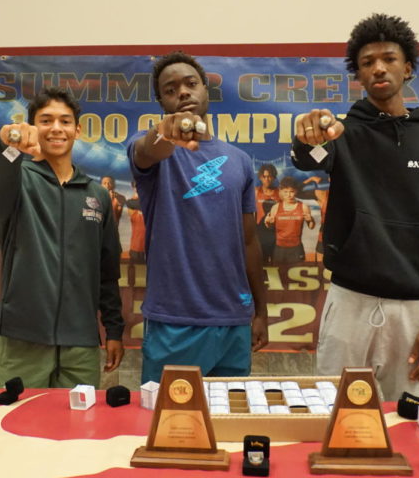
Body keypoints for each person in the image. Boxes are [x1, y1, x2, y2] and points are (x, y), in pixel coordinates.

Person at [289, 13, 419, 401]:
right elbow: (308, 158)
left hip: (415, 310)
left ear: (408, 67)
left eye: (388, 58)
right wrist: (307, 135)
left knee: (414, 422)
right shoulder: (341, 131)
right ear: (359, 75)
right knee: (336, 418)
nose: (379, 68)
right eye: (367, 63)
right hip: (350, 301)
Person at [127, 51, 268, 384]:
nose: (183, 93)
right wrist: (165, 134)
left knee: (229, 428)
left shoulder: (240, 160)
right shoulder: (149, 147)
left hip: (233, 319)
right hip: (175, 321)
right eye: (171, 89)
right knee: (171, 429)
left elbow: (249, 240)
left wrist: (260, 311)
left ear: (206, 90)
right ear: (161, 100)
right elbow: (148, 150)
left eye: (191, 84)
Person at [0, 87, 124, 388]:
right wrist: (7, 142)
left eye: (65, 121)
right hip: (23, 338)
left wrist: (113, 330)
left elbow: (107, 272)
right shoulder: (17, 181)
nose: (56, 128)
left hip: (81, 343)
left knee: (78, 431)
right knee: (15, 428)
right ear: (33, 126)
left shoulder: (97, 195)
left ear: (78, 130)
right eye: (46, 120)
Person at [264, 176, 315, 263]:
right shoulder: (275, 207)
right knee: (279, 275)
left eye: (291, 192)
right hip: (279, 249)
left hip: (296, 248)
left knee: (296, 276)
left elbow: (311, 227)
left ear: (296, 191)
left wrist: (311, 220)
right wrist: (267, 222)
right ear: (281, 191)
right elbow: (270, 227)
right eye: (285, 192)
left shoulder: (303, 207)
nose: (288, 195)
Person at [254, 164, 280, 262]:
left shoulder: (279, 193)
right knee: (261, 262)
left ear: (273, 177)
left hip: (275, 232)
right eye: (264, 176)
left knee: (275, 262)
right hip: (259, 232)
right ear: (260, 177)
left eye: (270, 176)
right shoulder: (255, 192)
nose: (267, 179)